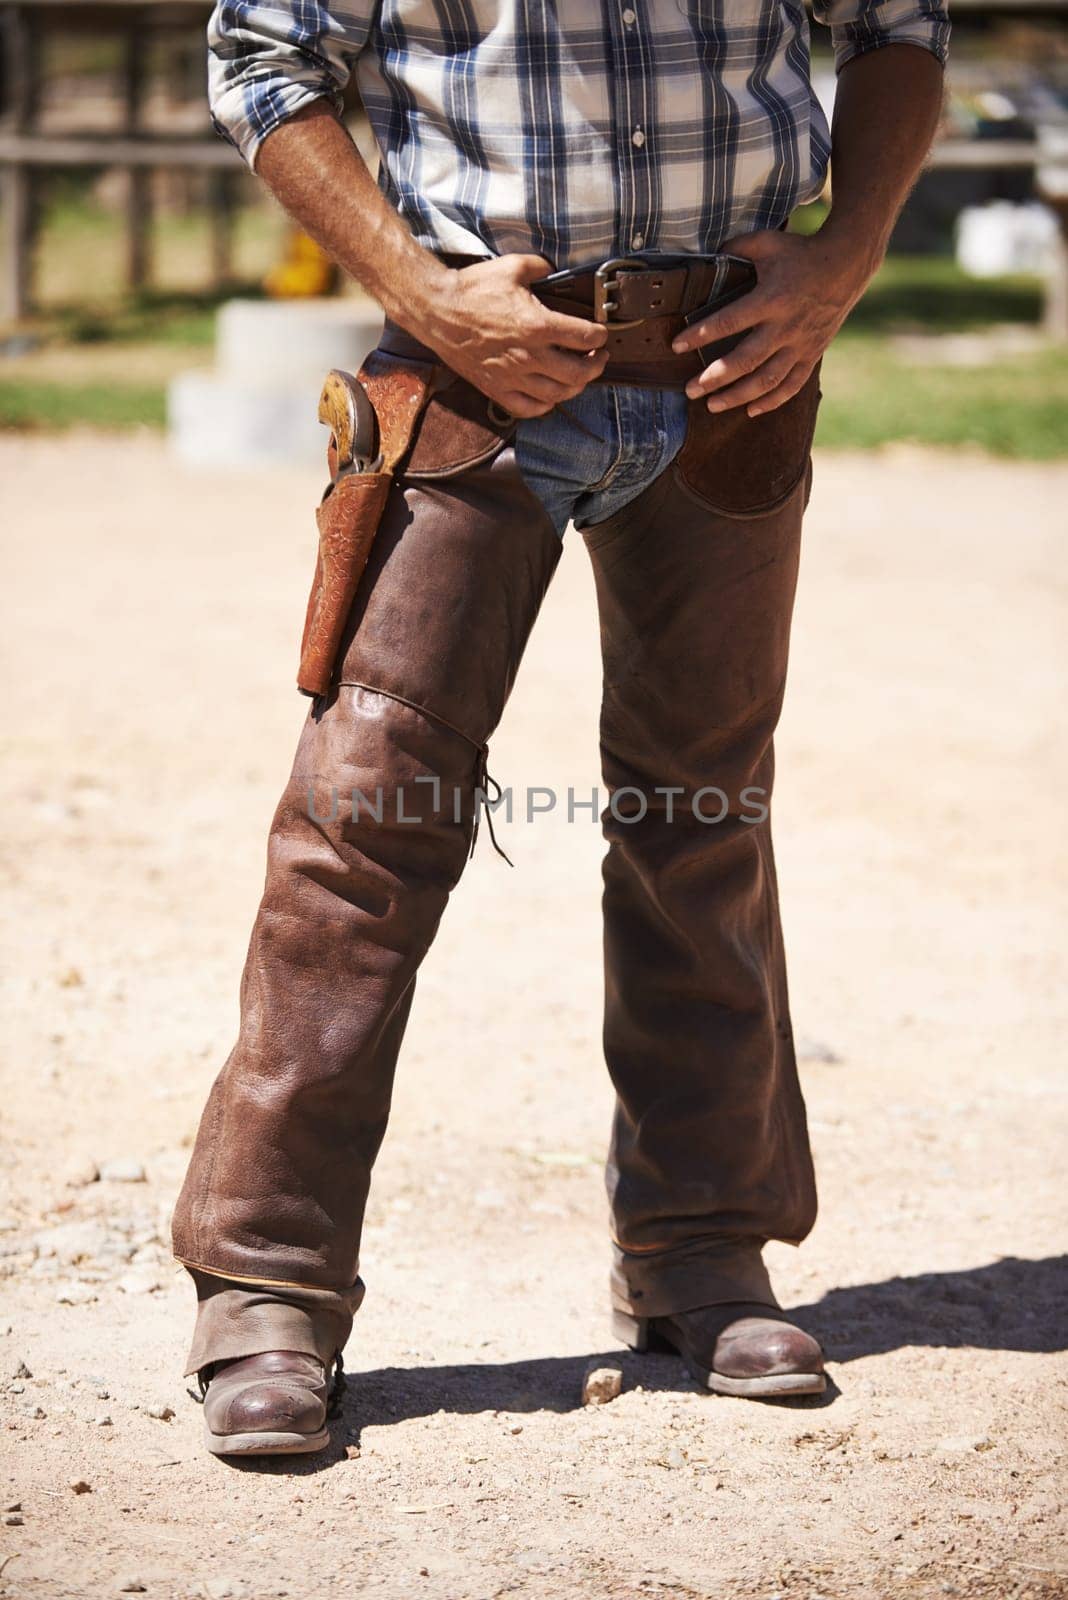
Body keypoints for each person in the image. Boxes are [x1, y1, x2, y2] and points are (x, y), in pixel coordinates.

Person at [172, 0, 949, 1457]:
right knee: (361, 825)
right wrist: (420, 286)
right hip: (469, 369)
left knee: (701, 816)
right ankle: (266, 1285)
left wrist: (846, 255)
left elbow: (900, 26)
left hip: (734, 373)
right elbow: (262, 56)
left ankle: (702, 1251)